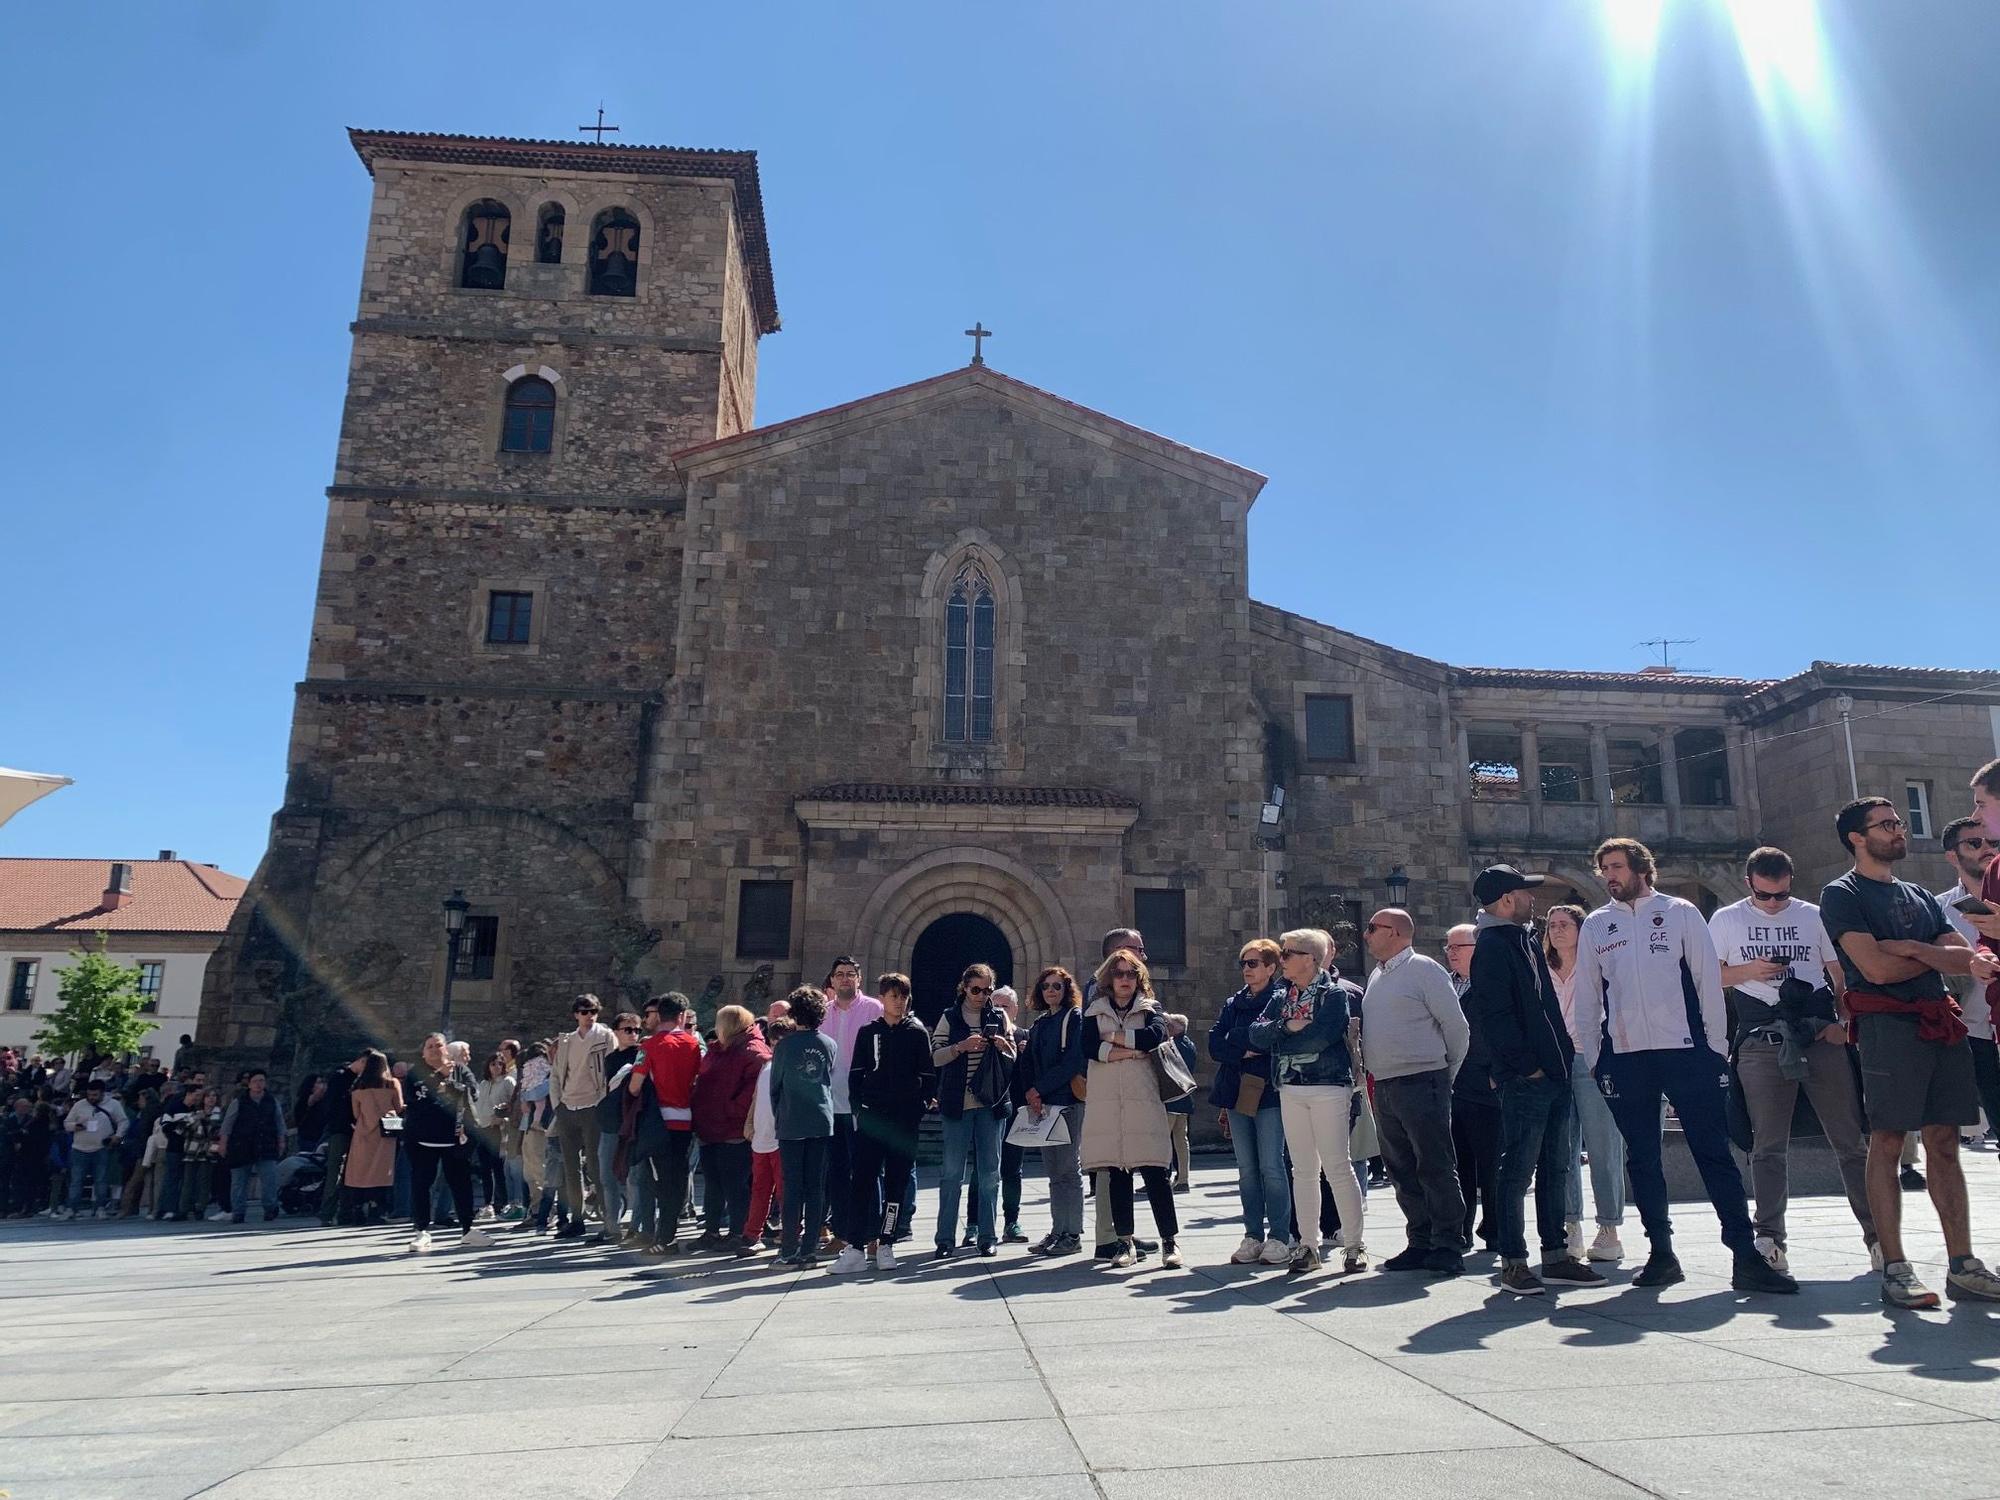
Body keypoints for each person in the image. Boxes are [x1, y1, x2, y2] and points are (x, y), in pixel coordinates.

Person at [1572, 839, 1796, 1295]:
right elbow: (1589, 995)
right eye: (1603, 870)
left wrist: (1714, 1047)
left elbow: (1707, 981)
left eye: (1616, 867)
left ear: (1641, 868)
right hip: (1626, 1056)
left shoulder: (1680, 912)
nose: (1609, 876)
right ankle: (1661, 1253)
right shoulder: (1596, 925)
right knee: (1642, 1157)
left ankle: (1744, 1255)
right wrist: (1596, 1056)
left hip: (1688, 1050)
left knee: (1712, 1152)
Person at [1822, 795, 2000, 1306]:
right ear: (1858, 838)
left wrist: (1915, 950)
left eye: (1899, 822)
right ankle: (1895, 1266)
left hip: (1938, 1023)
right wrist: (1932, 958)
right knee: (1889, 1141)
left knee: (1945, 1140)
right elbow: (1874, 969)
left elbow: (1963, 957)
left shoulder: (1919, 895)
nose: (1898, 830)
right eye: (1886, 825)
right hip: (1886, 1027)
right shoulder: (1843, 894)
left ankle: (1962, 1264)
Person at [1708, 846, 1874, 1273]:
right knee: (1767, 1145)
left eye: (1781, 895)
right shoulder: (1727, 919)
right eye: (1765, 896)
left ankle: (1877, 1235)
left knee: (1851, 1141)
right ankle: (1769, 1238)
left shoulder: (1812, 914)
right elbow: (1706, 976)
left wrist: (1844, 1019)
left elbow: (1839, 971)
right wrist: (1749, 971)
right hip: (1762, 1033)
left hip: (1818, 1027)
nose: (1774, 904)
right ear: (1749, 884)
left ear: (1790, 884)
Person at [1468, 867, 1604, 1296]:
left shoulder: (1523, 939)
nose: (1534, 901)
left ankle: (1556, 1256)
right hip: (1528, 1078)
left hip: (1555, 1071)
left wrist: (1559, 1057)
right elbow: (1494, 1017)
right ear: (1508, 900)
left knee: (1557, 1166)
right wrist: (1529, 1067)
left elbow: (1544, 1005)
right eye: (1526, 893)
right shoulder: (1491, 946)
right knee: (1518, 1170)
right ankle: (1513, 1262)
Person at [1361, 908, 1470, 1275]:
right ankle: (1420, 1240)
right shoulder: (1378, 975)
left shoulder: (1423, 969)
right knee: (1402, 1168)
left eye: (1373, 928)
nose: (1366, 934)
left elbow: (1456, 1028)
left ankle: (1448, 1243)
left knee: (1435, 1165)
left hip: (1423, 1079)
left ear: (1395, 932)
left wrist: (1443, 1073)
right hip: (1386, 1085)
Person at [1250, 930, 1366, 1275]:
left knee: (1337, 1166)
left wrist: (1280, 1036)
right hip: (1290, 1086)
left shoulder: (1333, 995)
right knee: (1302, 1169)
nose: (1281, 958)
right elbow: (1256, 1033)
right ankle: (1308, 1245)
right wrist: (1289, 1025)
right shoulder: (1281, 996)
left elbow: (1322, 1037)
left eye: (1287, 953)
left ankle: (1354, 1245)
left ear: (1309, 959)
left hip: (1328, 1085)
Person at [1080, 949, 1181, 1268]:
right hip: (1107, 1104)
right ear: (1109, 977)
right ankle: (1125, 1244)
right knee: (1117, 1172)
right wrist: (1124, 1050)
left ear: (1139, 978)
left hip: (1142, 1101)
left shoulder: (1150, 1008)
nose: (1124, 979)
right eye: (1119, 973)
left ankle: (1170, 1242)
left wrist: (1112, 1039)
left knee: (1155, 1172)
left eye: (1130, 974)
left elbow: (1156, 1036)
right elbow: (1086, 1047)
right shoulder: (1093, 1012)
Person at [1543, 903, 1627, 1263]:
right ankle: (1570, 1225)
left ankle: (1609, 1228)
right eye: (1551, 925)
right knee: (1561, 1149)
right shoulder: (1541, 968)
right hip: (1556, 1063)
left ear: (1581, 929)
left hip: (1592, 1061)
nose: (1557, 930)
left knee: (1603, 1146)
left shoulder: (1601, 965)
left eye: (1565, 924)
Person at [837, 973, 934, 1272]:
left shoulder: (917, 1033)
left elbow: (928, 1076)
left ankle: (886, 1242)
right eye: (893, 995)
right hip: (872, 1118)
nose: (899, 1001)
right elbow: (856, 1073)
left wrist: (919, 1107)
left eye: (903, 996)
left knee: (896, 1183)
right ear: (882, 998)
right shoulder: (868, 1032)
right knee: (862, 1180)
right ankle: (854, 1245)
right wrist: (858, 1108)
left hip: (903, 1120)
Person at [1209, 941, 1292, 1265]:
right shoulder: (1232, 1003)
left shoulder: (1280, 1000)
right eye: (1244, 962)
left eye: (1254, 963)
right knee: (1246, 1170)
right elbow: (1215, 1043)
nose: (1247, 968)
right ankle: (1253, 1234)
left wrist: (1238, 1040)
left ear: (1271, 968)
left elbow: (1274, 1039)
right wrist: (1245, 1046)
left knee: (1272, 1166)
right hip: (1236, 1091)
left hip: (1268, 1092)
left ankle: (1280, 1236)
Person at [931, 963, 1015, 1258]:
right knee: (952, 1174)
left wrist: (1004, 1045)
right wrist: (960, 1047)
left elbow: (1014, 1055)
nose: (981, 995)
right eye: (976, 989)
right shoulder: (949, 1017)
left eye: (987, 989)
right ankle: (944, 1238)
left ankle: (987, 1236)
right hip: (958, 1104)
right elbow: (936, 1057)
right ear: (964, 987)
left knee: (990, 1173)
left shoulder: (999, 1015)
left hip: (990, 1105)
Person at [1935, 815, 2000, 1146]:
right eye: (1974, 844)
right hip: (1975, 1035)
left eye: (1992, 842)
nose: (1986, 849)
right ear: (1952, 855)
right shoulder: (1938, 910)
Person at [818, 958, 883, 1255]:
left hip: (864, 1103)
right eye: (839, 975)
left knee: (868, 1169)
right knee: (838, 1172)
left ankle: (873, 1235)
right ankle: (842, 1233)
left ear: (859, 979)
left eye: (850, 975)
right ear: (831, 981)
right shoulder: (822, 1013)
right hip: (830, 1104)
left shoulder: (873, 1009)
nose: (844, 979)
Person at [403, 1033, 489, 1253]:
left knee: (461, 1184)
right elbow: (416, 1101)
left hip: (455, 1139)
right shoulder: (415, 1073)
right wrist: (437, 1079)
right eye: (429, 1046)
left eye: (438, 1045)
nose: (434, 1049)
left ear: (446, 1049)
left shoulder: (460, 1070)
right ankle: (421, 1230)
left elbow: (472, 1094)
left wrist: (448, 1080)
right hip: (423, 1140)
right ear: (423, 1052)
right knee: (422, 1184)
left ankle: (468, 1229)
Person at [769, 986, 836, 1267]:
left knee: (792, 1186)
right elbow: (827, 1078)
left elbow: (776, 1085)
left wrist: (779, 1115)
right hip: (821, 1119)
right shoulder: (829, 1044)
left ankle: (789, 1247)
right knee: (816, 1186)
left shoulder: (784, 1045)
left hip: (792, 1121)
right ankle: (810, 1247)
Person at [692, 1002, 767, 1253]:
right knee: (713, 1182)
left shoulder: (752, 1051)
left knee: (735, 1185)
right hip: (710, 1128)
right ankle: (711, 1230)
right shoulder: (719, 1050)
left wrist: (728, 1111)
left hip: (733, 1131)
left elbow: (753, 1093)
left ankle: (738, 1231)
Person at [1025, 965, 1090, 1257]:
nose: (1051, 991)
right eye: (1046, 986)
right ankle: (1058, 1229)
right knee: (1053, 1171)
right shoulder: (1040, 1023)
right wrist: (1031, 1094)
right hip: (1043, 1104)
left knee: (1068, 1168)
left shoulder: (1073, 1018)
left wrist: (1039, 1089)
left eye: (1057, 986)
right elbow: (1031, 1063)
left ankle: (1072, 1233)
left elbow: (1073, 1061)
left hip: (1066, 1102)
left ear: (1066, 991)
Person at [1443, 922, 1499, 1255]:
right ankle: (1461, 1228)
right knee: (1459, 1162)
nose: (1450, 954)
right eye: (1447, 947)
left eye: (1457, 947)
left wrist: (1496, 1073)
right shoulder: (1446, 986)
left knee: (1491, 1165)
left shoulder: (1491, 986)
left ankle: (1495, 1229)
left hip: (1485, 1086)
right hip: (1452, 1086)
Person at [549, 995, 615, 1241]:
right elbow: (556, 1075)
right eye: (585, 1011)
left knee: (597, 1166)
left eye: (593, 1011)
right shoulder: (566, 1041)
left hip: (592, 1106)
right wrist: (558, 1105)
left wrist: (602, 1103)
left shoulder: (606, 1036)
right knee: (570, 1167)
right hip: (568, 1107)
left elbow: (611, 1072)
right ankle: (577, 1219)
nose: (590, 1016)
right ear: (576, 1014)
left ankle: (609, 1218)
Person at [592, 1013, 645, 1244]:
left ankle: (636, 1227)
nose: (633, 1034)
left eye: (637, 1030)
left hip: (635, 1123)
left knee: (635, 1178)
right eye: (628, 1029)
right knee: (606, 1176)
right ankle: (611, 1227)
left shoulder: (642, 1055)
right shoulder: (610, 1058)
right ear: (616, 1031)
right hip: (612, 1122)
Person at [741, 1016, 791, 1254]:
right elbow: (756, 1099)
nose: (777, 1045)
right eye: (774, 1041)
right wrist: (749, 1125)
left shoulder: (789, 1068)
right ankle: (752, 1234)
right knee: (760, 1190)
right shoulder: (767, 1066)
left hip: (780, 1139)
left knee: (784, 1190)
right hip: (762, 1137)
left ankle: (791, 1231)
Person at [342, 1051, 401, 1224]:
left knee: (359, 1171)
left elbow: (355, 1112)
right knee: (382, 1171)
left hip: (363, 1132)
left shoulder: (359, 1086)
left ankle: (358, 1208)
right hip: (385, 1132)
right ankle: (377, 1208)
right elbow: (398, 1107)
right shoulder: (391, 1084)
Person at [219, 1070, 285, 1226]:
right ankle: (238, 1211)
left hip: (266, 1144)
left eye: (262, 1080)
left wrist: (281, 1141)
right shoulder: (239, 1101)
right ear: (249, 1084)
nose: (259, 1084)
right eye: (255, 1081)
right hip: (242, 1145)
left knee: (269, 1179)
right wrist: (223, 1143)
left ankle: (270, 1208)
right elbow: (228, 1123)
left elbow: (279, 1122)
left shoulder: (271, 1101)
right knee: (239, 1181)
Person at [993, 984, 1032, 1241]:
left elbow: (1030, 1077)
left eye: (1005, 1006)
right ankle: (975, 1223)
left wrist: (1024, 1056)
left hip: (1015, 1112)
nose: (999, 1011)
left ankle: (1012, 1221)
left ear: (1015, 1011)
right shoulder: (980, 1039)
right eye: (995, 1006)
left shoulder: (1024, 1037)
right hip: (985, 1112)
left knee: (1012, 1169)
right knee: (982, 1171)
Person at [58, 1080, 127, 1220]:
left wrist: (118, 1136)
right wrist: (74, 1126)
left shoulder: (113, 1104)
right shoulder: (79, 1105)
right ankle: (72, 1208)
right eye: (89, 1094)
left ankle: (100, 1207)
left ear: (102, 1093)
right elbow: (66, 1123)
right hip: (79, 1148)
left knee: (101, 1180)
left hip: (101, 1148)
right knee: (76, 1180)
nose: (92, 1098)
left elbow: (123, 1121)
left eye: (95, 1095)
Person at [472, 1051, 519, 1220]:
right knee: (484, 1169)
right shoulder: (483, 1083)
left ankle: (503, 1202)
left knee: (499, 1167)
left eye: (500, 1064)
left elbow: (514, 1104)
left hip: (498, 1128)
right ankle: (487, 1204)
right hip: (482, 1128)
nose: (497, 1067)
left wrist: (502, 1118)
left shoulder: (508, 1082)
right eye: (493, 1064)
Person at [317, 1054, 361, 1225]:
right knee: (336, 1171)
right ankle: (328, 1213)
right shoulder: (340, 1077)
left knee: (346, 1172)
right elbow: (335, 1106)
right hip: (341, 1130)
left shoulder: (352, 1078)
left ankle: (344, 1211)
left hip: (348, 1129)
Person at [1163, 1013, 1198, 1193]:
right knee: (1180, 1140)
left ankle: (1163, 1177)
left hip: (1170, 1098)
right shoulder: (1190, 1044)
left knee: (1163, 1139)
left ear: (1177, 1028)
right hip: (1184, 1098)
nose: (1166, 1027)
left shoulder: (1171, 1045)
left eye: (1169, 1025)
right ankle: (1183, 1178)